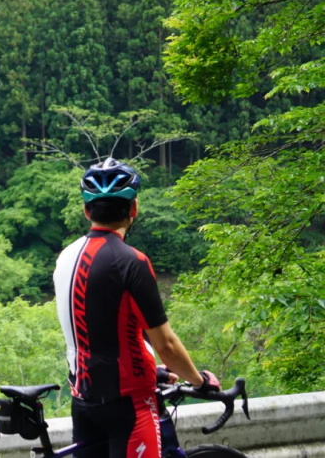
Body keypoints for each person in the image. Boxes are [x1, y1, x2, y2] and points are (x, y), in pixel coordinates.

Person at [53, 158, 220, 458]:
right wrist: (201, 381)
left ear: (86, 210)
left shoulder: (65, 257)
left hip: (83, 400)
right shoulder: (132, 261)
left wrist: (150, 368)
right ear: (134, 209)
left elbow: (91, 328)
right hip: (128, 406)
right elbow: (166, 344)